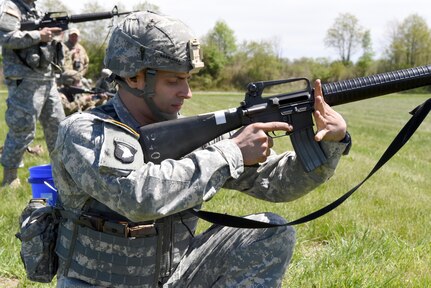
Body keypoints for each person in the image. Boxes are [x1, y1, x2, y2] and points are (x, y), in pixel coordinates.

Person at [51, 11, 351, 287]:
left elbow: (278, 184)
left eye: (188, 79)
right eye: (174, 81)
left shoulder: (193, 133)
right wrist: (231, 153)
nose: (187, 92)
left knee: (270, 231)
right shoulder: (84, 131)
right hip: (98, 282)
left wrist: (329, 144)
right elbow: (138, 198)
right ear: (133, 77)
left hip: (176, 275)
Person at [0, 0, 65, 188]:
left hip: (47, 77)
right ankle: (10, 176)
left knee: (58, 125)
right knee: (23, 127)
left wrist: (53, 35)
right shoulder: (11, 9)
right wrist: (39, 35)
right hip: (24, 78)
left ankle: (60, 173)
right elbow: (6, 38)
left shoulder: (38, 10)